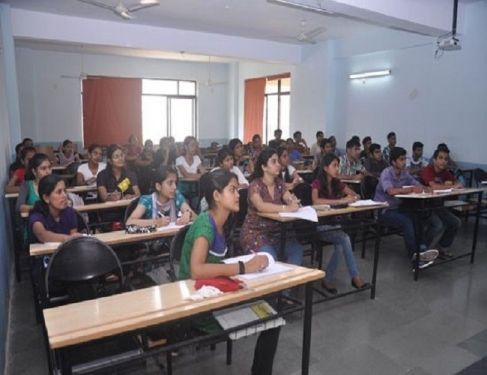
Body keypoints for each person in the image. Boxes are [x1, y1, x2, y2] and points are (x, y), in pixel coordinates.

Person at [179, 169, 280, 375]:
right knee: (271, 318)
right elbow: (196, 270)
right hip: (201, 306)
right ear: (216, 196)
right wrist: (244, 267)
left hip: (216, 294)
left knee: (272, 309)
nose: (238, 195)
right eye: (232, 190)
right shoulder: (205, 226)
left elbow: (216, 263)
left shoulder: (222, 223)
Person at [312, 153, 369, 293]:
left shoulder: (337, 182)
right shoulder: (317, 182)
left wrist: (353, 197)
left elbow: (354, 194)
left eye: (338, 165)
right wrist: (340, 201)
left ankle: (327, 279)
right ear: (325, 168)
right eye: (334, 166)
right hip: (320, 225)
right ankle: (355, 277)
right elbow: (316, 201)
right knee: (345, 239)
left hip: (334, 225)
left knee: (340, 246)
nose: (337, 169)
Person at [374, 147, 439, 269]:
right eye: (401, 159)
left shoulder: (404, 173)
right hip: (384, 210)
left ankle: (421, 249)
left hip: (397, 208)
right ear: (393, 162)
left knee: (416, 216)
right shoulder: (386, 173)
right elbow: (391, 191)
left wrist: (426, 188)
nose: (404, 162)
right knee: (406, 221)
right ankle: (415, 258)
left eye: (405, 159)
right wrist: (409, 189)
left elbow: (416, 183)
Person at [240, 148, 303, 265]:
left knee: (297, 250)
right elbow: (261, 206)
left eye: (278, 162)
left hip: (277, 233)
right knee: (269, 259)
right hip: (256, 233)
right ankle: (278, 281)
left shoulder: (280, 184)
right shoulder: (255, 185)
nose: (278, 165)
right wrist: (286, 208)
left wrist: (293, 202)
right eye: (273, 162)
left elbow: (287, 197)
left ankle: (288, 282)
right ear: (264, 167)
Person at [419, 148, 462, 258]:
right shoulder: (427, 170)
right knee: (438, 224)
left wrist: (452, 185)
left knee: (455, 222)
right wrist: (450, 186)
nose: (443, 161)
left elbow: (459, 184)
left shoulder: (445, 173)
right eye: (441, 158)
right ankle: (422, 250)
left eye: (446, 159)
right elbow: (434, 186)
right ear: (434, 160)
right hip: (423, 207)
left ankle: (442, 248)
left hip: (437, 206)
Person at [127, 166, 195, 227]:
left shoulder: (177, 197)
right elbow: (130, 222)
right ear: (158, 186)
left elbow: (196, 218)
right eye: (170, 183)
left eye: (175, 183)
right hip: (152, 239)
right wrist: (157, 222)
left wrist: (189, 214)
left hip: (173, 238)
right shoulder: (147, 200)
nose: (174, 187)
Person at [29, 174, 79, 243]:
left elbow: (73, 239)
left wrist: (73, 238)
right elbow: (43, 236)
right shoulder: (37, 216)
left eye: (65, 191)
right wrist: (68, 238)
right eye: (59, 192)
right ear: (46, 198)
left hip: (67, 252)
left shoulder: (70, 212)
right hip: (43, 253)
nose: (64, 195)